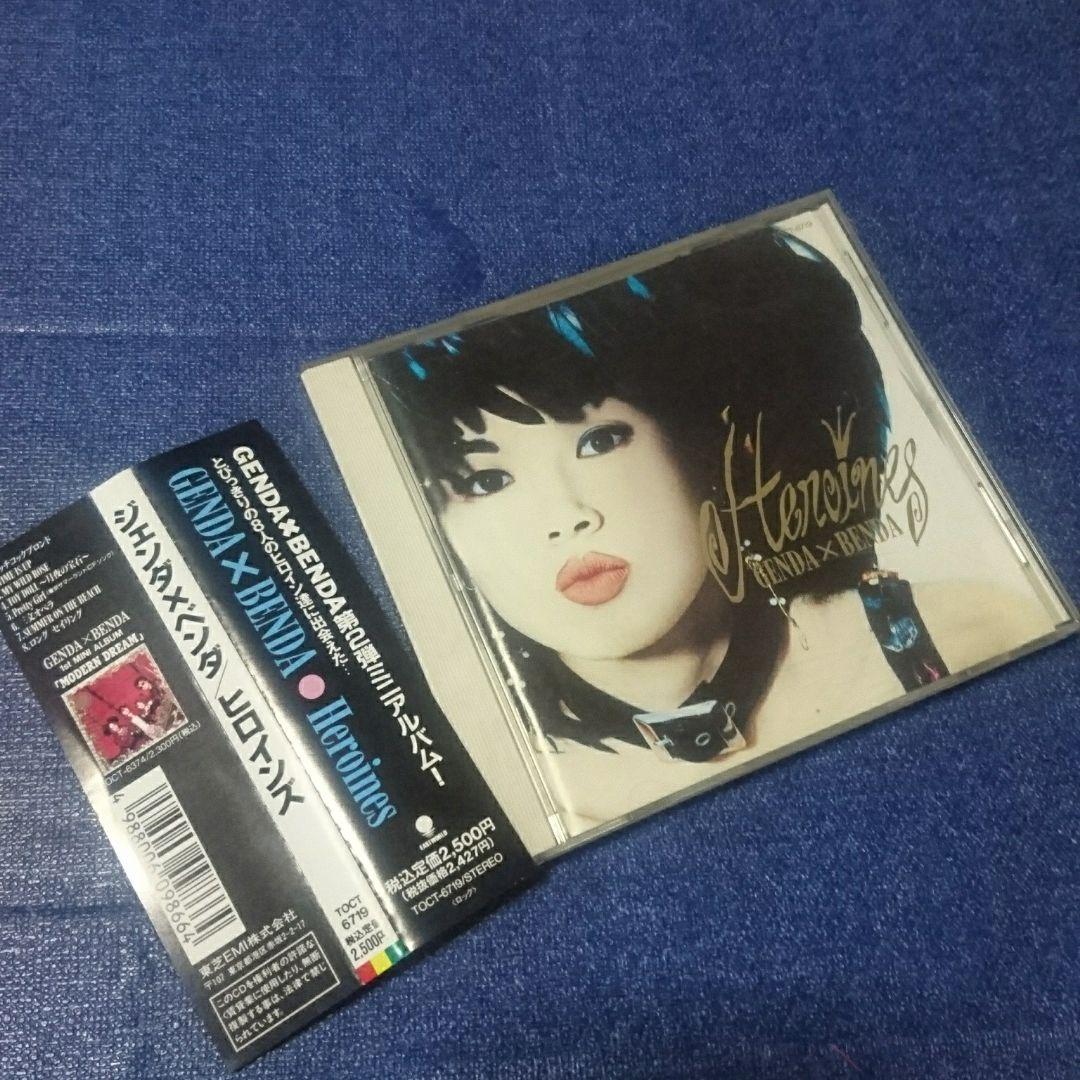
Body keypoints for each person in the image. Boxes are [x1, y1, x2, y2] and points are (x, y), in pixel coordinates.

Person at [372, 227, 1051, 832]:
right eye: (487, 481)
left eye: (600, 441)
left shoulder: (963, 634)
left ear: (705, 448)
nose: (567, 517)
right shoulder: (491, 805)